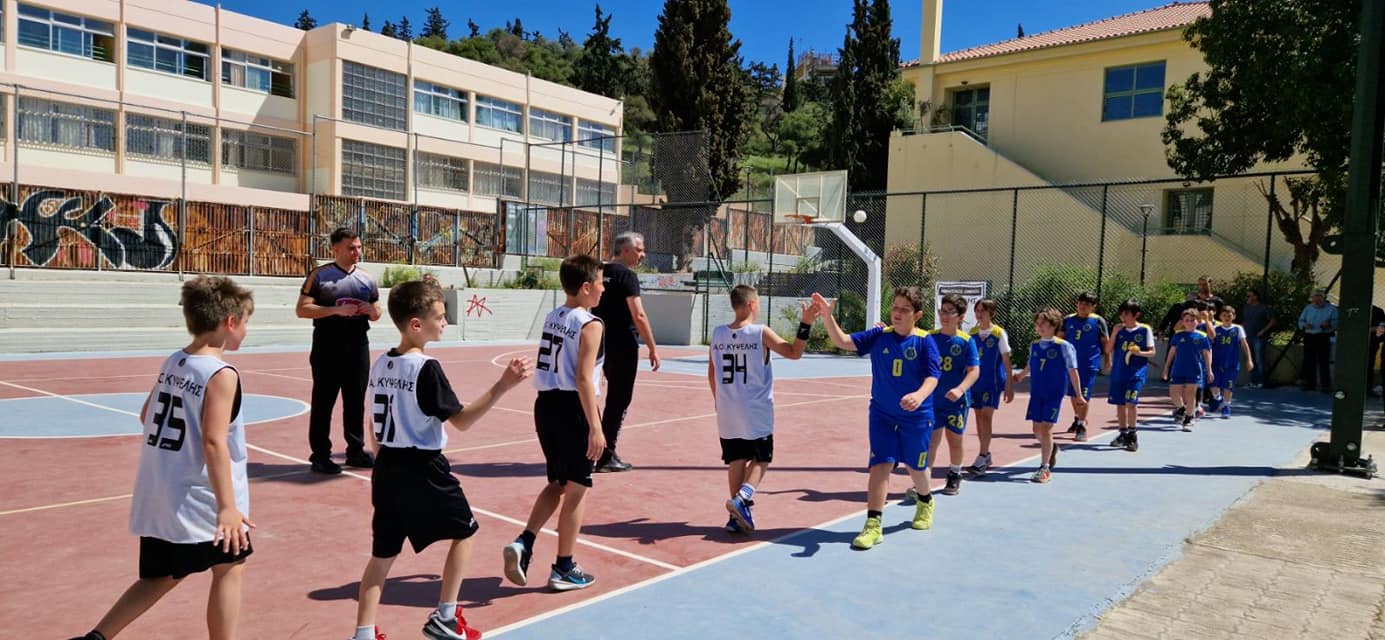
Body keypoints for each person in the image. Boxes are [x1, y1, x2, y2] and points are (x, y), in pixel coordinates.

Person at [70, 276, 256, 640]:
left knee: (162, 575)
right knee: (231, 565)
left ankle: (96, 637)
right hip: (199, 497)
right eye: (246, 321)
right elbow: (215, 442)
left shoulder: (175, 361)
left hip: (161, 490)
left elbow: (146, 415)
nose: (246, 330)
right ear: (229, 322)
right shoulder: (221, 373)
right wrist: (227, 508)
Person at [350, 281, 532, 640]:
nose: (445, 322)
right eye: (440, 316)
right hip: (423, 468)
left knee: (382, 555)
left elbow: (371, 422)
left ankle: (363, 633)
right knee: (465, 531)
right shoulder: (426, 368)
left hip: (386, 468)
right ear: (416, 323)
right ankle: (446, 617)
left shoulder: (381, 363)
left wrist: (382, 454)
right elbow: (462, 420)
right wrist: (502, 385)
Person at [503, 255, 607, 591]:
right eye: (601, 283)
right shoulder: (591, 324)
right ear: (587, 287)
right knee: (577, 489)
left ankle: (525, 542)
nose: (604, 289)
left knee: (558, 483)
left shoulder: (553, 316)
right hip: (573, 409)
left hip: (545, 406)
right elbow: (583, 378)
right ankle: (563, 567)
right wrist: (595, 425)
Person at [812, 287, 940, 551]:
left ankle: (925, 500)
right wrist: (827, 317)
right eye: (895, 307)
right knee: (881, 464)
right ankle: (873, 524)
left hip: (916, 416)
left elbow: (933, 377)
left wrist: (919, 394)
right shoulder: (879, 336)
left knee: (916, 468)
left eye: (905, 309)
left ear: (917, 315)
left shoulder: (925, 341)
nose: (897, 313)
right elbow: (843, 341)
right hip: (882, 413)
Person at [707, 285, 816, 533]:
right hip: (754, 407)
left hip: (727, 407)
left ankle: (736, 518)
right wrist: (806, 323)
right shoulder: (759, 332)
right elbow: (794, 352)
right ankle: (742, 499)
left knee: (736, 459)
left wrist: (719, 400)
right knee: (762, 456)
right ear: (752, 305)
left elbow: (712, 372)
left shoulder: (718, 334)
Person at [297, 227, 382, 474]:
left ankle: (355, 451)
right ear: (336, 249)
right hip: (327, 346)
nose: (357, 251)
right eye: (351, 247)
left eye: (358, 247)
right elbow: (302, 309)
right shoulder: (320, 276)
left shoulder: (366, 278)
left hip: (358, 346)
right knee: (323, 402)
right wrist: (334, 310)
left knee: (355, 401)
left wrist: (370, 310)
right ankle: (320, 455)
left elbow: (377, 312)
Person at [592, 231, 660, 472]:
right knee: (619, 400)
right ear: (626, 250)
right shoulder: (627, 276)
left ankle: (593, 446)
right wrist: (652, 347)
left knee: (592, 395)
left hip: (597, 343)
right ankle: (605, 454)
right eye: (640, 249)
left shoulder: (596, 270)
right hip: (622, 345)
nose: (643, 254)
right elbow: (639, 314)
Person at [1011, 308, 1084, 484]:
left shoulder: (1063, 346)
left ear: (1053, 325)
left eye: (1043, 323)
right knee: (1037, 430)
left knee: (1046, 428)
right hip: (1037, 393)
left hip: (1053, 393)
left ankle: (1044, 468)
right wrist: (1021, 375)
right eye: (1037, 324)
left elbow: (1073, 371)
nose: (1039, 327)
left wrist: (1079, 395)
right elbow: (1031, 365)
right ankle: (1051, 447)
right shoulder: (1034, 345)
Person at [925, 294, 979, 496]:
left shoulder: (966, 341)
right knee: (931, 440)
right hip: (933, 399)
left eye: (950, 312)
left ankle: (955, 473)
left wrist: (960, 389)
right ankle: (924, 480)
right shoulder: (930, 337)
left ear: (961, 316)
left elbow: (974, 371)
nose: (945, 316)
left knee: (954, 438)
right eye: (942, 311)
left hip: (956, 401)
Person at [966, 299, 1015, 476]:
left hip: (992, 382)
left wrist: (1009, 384)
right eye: (977, 310)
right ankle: (985, 454)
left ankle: (981, 455)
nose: (979, 314)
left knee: (986, 417)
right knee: (979, 417)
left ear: (991, 313)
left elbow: (1006, 360)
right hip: (976, 382)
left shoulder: (998, 333)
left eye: (983, 311)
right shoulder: (971, 333)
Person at [1059, 291, 1109, 442]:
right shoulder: (1067, 320)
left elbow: (1105, 342)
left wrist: (1108, 359)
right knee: (1073, 394)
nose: (1082, 306)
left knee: (1084, 394)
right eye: (1081, 303)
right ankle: (1077, 418)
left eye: (1087, 304)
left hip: (1089, 363)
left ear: (1093, 307)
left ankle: (1081, 426)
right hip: (1070, 364)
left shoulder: (1098, 321)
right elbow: (1060, 340)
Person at [1107, 300, 1157, 452]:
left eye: (1127, 313)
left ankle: (1133, 434)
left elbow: (1152, 352)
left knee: (1131, 402)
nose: (1123, 316)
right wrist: (1114, 333)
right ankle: (1123, 433)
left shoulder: (1144, 330)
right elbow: (1108, 349)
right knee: (1120, 404)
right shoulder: (1119, 331)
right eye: (1122, 313)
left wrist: (1139, 353)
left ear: (1136, 315)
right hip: (1119, 372)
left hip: (1135, 373)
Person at [1163, 309, 1214, 432]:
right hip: (1178, 369)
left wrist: (1209, 370)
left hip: (1194, 369)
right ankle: (1181, 409)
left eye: (1192, 320)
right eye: (1187, 320)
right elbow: (1172, 352)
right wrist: (1166, 367)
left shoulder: (1202, 336)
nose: (1190, 323)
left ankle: (1189, 418)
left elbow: (1207, 353)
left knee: (1191, 394)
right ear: (1183, 322)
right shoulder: (1178, 335)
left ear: (1197, 321)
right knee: (1174, 394)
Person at [1210, 306, 1254, 418]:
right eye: (1224, 315)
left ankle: (1226, 406)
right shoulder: (1215, 328)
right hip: (1216, 362)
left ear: (1233, 316)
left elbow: (1244, 345)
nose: (1226, 318)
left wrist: (1249, 359)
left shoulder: (1238, 329)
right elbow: (1208, 344)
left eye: (1229, 316)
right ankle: (1217, 398)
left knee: (1228, 386)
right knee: (1213, 383)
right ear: (1220, 316)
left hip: (1231, 363)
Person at [1297, 289, 1338, 392]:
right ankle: (1310, 384)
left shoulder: (1332, 309)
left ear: (1324, 298)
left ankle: (1325, 385)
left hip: (1324, 336)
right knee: (1309, 360)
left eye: (1319, 297)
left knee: (1323, 361)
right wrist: (1304, 325)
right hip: (1309, 336)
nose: (1317, 299)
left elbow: (1337, 323)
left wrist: (1328, 324)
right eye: (1315, 297)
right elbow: (1300, 321)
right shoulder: (1308, 308)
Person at [1241, 289, 1276, 388]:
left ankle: (1261, 381)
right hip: (1248, 336)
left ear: (1255, 297)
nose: (1247, 298)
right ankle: (1253, 381)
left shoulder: (1264, 308)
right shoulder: (1246, 308)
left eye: (1249, 296)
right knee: (1250, 359)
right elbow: (1245, 321)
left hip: (1259, 338)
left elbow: (1272, 321)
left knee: (1259, 359)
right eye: (1247, 296)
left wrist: (1263, 331)